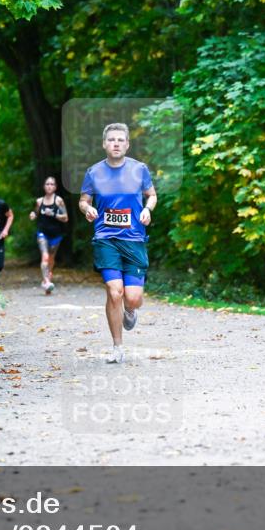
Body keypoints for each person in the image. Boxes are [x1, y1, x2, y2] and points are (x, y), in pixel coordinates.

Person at [79, 123, 157, 364]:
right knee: (115, 292)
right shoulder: (94, 172)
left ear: (127, 144)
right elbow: (83, 200)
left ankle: (130, 311)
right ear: (104, 144)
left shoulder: (139, 169)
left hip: (133, 239)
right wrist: (87, 208)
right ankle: (117, 347)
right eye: (111, 139)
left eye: (120, 140)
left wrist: (147, 209)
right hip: (106, 239)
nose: (115, 143)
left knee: (132, 298)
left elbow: (152, 195)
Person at [29, 176, 68, 294]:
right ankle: (46, 281)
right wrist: (33, 215)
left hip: (56, 235)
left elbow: (65, 218)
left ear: (55, 187)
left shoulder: (59, 200)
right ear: (44, 186)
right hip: (42, 233)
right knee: (45, 257)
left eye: (52, 184)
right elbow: (35, 213)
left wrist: (54, 214)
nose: (49, 186)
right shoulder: (39, 201)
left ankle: (48, 280)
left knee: (51, 259)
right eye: (47, 184)